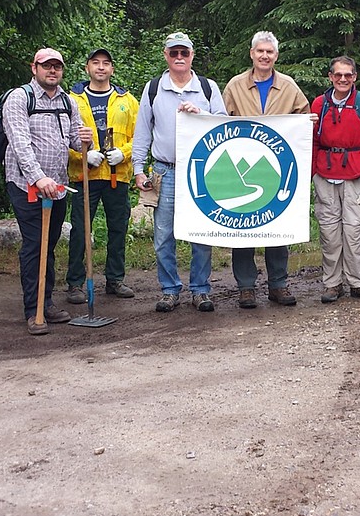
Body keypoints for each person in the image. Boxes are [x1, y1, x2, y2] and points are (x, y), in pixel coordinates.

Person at [132, 32, 227, 313]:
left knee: (202, 231)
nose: (179, 58)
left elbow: (223, 124)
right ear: (166, 55)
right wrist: (139, 169)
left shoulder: (208, 88)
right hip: (165, 171)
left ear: (192, 55)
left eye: (184, 53)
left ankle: (200, 289)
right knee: (163, 234)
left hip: (201, 170)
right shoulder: (153, 89)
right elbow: (142, 133)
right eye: (173, 53)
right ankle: (169, 289)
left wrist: (199, 113)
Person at [4, 48, 93, 335]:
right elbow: (20, 144)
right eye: (46, 66)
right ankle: (34, 310)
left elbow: (74, 138)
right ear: (34, 68)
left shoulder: (68, 101)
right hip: (27, 185)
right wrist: (37, 178)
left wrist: (86, 141)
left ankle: (47, 300)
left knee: (50, 244)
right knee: (34, 245)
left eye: (57, 67)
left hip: (58, 186)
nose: (52, 71)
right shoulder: (19, 98)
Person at [221, 31, 311, 308]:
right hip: (243, 166)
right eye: (260, 51)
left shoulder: (289, 86)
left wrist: (307, 123)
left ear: (276, 56)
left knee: (276, 226)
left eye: (269, 52)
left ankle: (278, 285)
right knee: (244, 228)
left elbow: (303, 118)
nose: (264, 56)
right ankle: (246, 287)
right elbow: (220, 122)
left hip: (277, 168)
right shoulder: (234, 86)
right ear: (251, 54)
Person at [63, 48, 140, 305]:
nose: (101, 67)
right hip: (85, 175)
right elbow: (60, 137)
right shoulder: (71, 99)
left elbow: (138, 137)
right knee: (80, 229)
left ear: (112, 69)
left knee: (118, 228)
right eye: (95, 63)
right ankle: (75, 283)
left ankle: (115, 279)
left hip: (117, 175)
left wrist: (125, 153)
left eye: (106, 63)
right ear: (87, 68)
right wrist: (81, 157)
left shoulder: (127, 100)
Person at [311, 56, 360, 302]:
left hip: (357, 172)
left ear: (355, 77)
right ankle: (332, 283)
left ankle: (357, 280)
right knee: (329, 231)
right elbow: (312, 141)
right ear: (331, 77)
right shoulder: (319, 104)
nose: (343, 79)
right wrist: (311, 173)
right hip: (325, 173)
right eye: (338, 75)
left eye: (348, 75)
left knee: (355, 229)